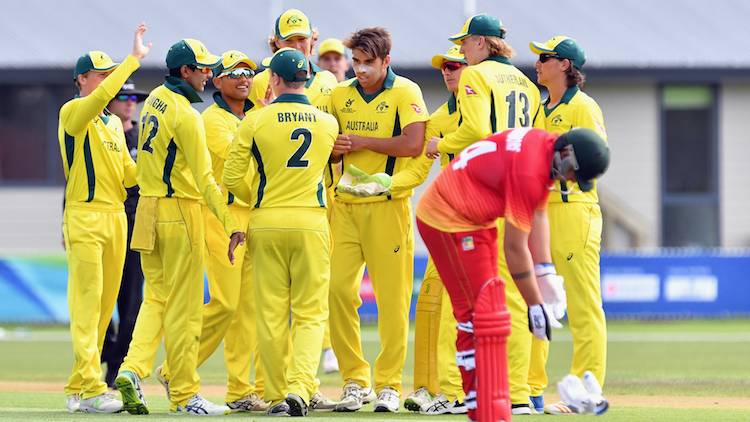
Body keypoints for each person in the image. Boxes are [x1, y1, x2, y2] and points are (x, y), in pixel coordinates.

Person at [416, 127, 609, 422]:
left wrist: (545, 273)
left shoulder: (545, 144)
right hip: (446, 218)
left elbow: (539, 215)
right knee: (475, 313)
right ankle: (477, 404)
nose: (570, 180)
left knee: (489, 309)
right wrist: (534, 303)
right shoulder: (530, 172)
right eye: (573, 172)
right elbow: (515, 248)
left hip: (473, 219)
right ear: (566, 154)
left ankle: (490, 397)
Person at [428, 14, 553, 415]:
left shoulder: (475, 77)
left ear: (482, 43)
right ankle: (515, 393)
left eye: (466, 43)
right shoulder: (528, 86)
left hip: (481, 193)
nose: (462, 50)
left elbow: (478, 131)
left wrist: (439, 143)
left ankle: (458, 390)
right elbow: (535, 141)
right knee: (513, 297)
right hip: (518, 190)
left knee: (464, 296)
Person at [114, 38, 244, 416]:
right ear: (184, 71)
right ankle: (186, 393)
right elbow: (205, 179)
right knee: (185, 311)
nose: (208, 74)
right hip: (180, 212)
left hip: (148, 210)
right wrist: (230, 222)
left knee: (155, 300)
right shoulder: (187, 115)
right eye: (202, 68)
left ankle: (131, 369)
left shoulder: (154, 97)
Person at [223, 48, 338, 417]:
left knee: (271, 313)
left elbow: (230, 179)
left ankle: (275, 394)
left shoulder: (255, 121)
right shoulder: (327, 123)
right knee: (310, 313)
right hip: (311, 220)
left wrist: (257, 197)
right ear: (306, 80)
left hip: (266, 219)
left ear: (272, 79)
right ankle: (301, 388)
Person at [153, 50, 268, 413]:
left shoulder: (253, 117)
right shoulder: (211, 120)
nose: (244, 79)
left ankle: (240, 390)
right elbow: (243, 160)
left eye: (249, 72)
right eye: (233, 73)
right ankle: (175, 369)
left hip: (253, 215)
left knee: (246, 310)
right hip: (221, 215)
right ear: (216, 80)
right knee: (226, 303)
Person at [328, 26, 428, 413]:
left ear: (386, 60)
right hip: (346, 208)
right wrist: (335, 150)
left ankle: (388, 384)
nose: (361, 70)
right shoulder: (340, 94)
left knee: (392, 300)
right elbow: (328, 150)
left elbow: (413, 143)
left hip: (388, 206)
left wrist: (362, 141)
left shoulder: (406, 91)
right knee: (337, 292)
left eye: (368, 63)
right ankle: (355, 381)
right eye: (356, 62)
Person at [59, 23, 149, 414]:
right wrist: (133, 62)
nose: (108, 80)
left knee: (104, 305)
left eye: (109, 74)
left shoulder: (113, 124)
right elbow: (97, 102)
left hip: (116, 217)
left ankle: (80, 387)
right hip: (85, 215)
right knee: (87, 303)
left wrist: (153, 158)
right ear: (81, 78)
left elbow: (128, 177)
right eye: (101, 74)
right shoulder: (72, 112)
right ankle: (93, 385)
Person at [528, 36, 608, 416]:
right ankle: (530, 387)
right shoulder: (540, 108)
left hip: (574, 209)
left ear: (565, 65)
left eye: (545, 57)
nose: (538, 62)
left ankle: (586, 391)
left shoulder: (584, 107)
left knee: (581, 305)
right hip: (541, 213)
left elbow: (593, 161)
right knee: (536, 301)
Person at [394, 45, 468, 416]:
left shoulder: (488, 110)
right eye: (445, 67)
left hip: (484, 218)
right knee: (430, 303)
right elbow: (420, 167)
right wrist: (387, 185)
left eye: (456, 66)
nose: (448, 72)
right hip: (451, 217)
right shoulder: (439, 117)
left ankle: (521, 390)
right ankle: (431, 388)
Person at [100, 78, 148, 389]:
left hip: (137, 220)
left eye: (134, 98)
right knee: (100, 296)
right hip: (107, 218)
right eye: (123, 97)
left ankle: (117, 366)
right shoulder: (101, 131)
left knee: (132, 301)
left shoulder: (143, 135)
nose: (130, 102)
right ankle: (105, 353)